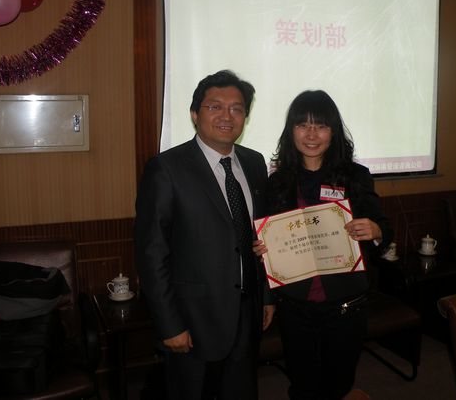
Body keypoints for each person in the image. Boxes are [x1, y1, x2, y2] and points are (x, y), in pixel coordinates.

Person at [134, 70, 275, 400]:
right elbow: (151, 253)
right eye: (215, 107)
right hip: (192, 318)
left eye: (237, 108)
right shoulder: (166, 169)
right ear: (195, 114)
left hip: (247, 310)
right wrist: (169, 324)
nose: (227, 116)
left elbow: (260, 236)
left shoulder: (255, 163)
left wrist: (266, 296)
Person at [254, 90, 393, 400]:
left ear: (334, 131)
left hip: (345, 304)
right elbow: (267, 239)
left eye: (321, 126)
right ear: (291, 131)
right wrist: (262, 249)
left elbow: (383, 228)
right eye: (302, 125)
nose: (311, 134)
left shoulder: (355, 177)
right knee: (302, 384)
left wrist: (375, 230)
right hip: (295, 305)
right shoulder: (277, 182)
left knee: (338, 383)